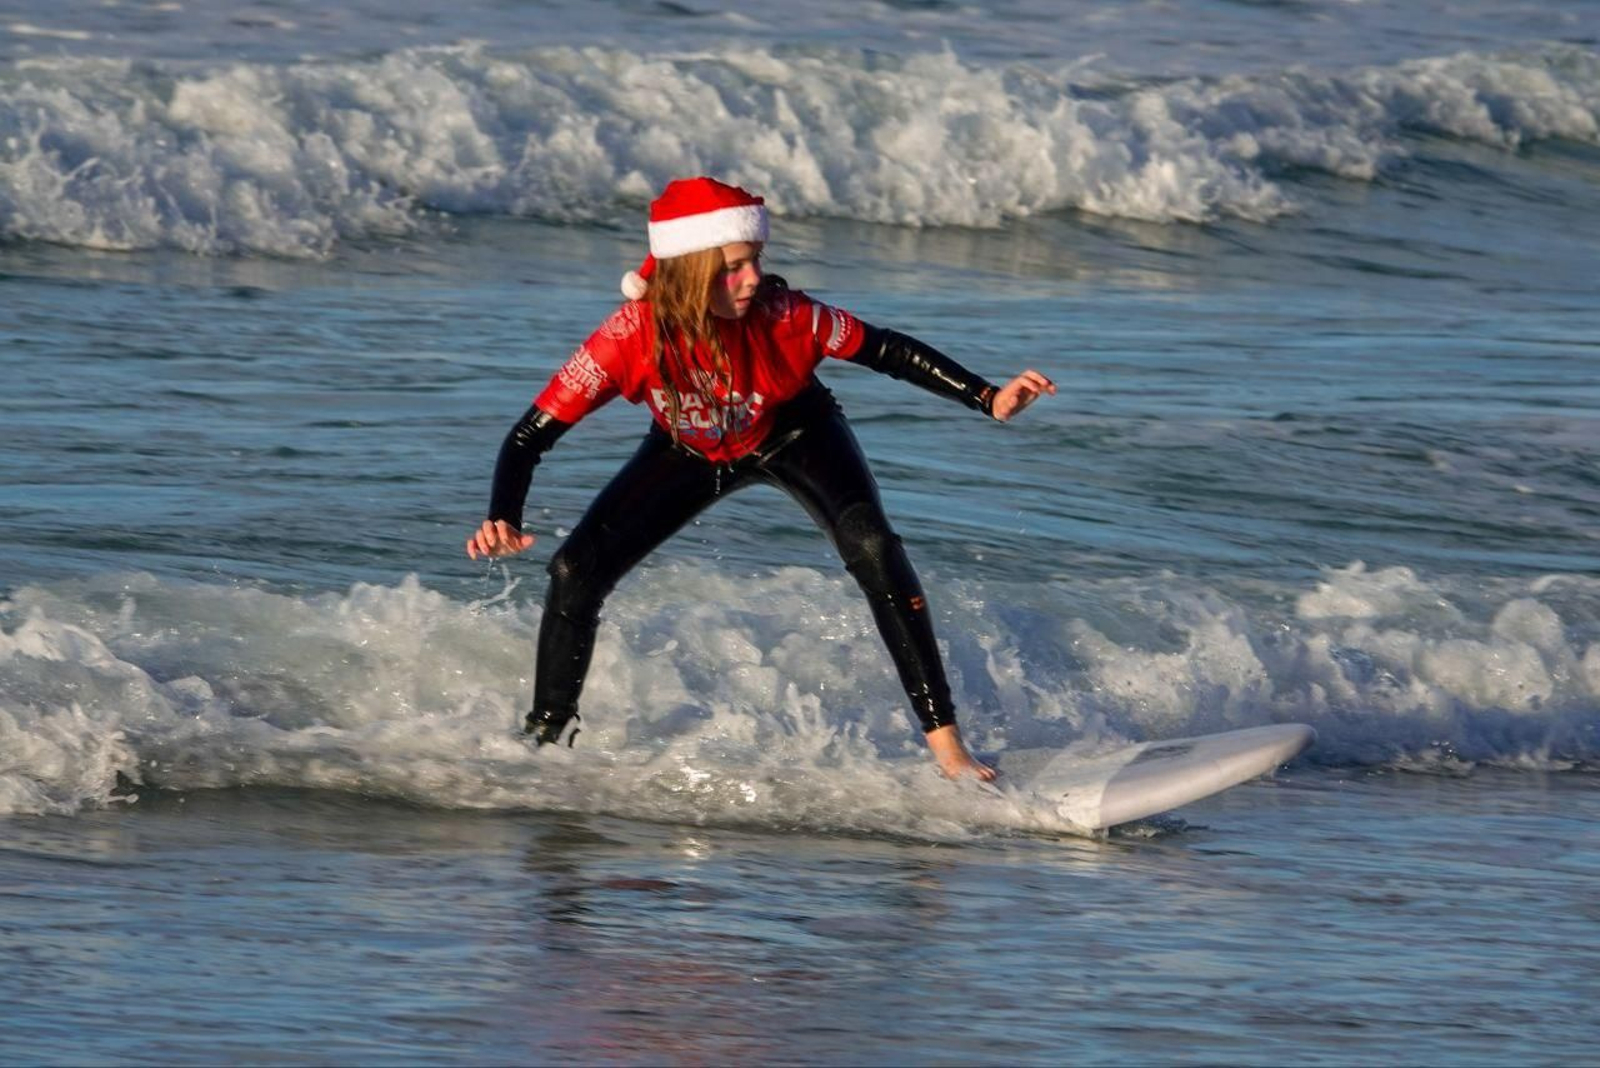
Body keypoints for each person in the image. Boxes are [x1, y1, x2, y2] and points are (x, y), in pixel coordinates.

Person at [466, 177, 1054, 780]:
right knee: (574, 571)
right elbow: (527, 438)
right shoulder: (628, 337)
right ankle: (543, 746)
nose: (752, 280)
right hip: (686, 448)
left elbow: (888, 351)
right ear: (691, 271)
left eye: (754, 263)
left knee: (873, 547)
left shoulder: (787, 315)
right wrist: (503, 516)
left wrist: (987, 397)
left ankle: (949, 749)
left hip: (795, 431)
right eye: (734, 268)